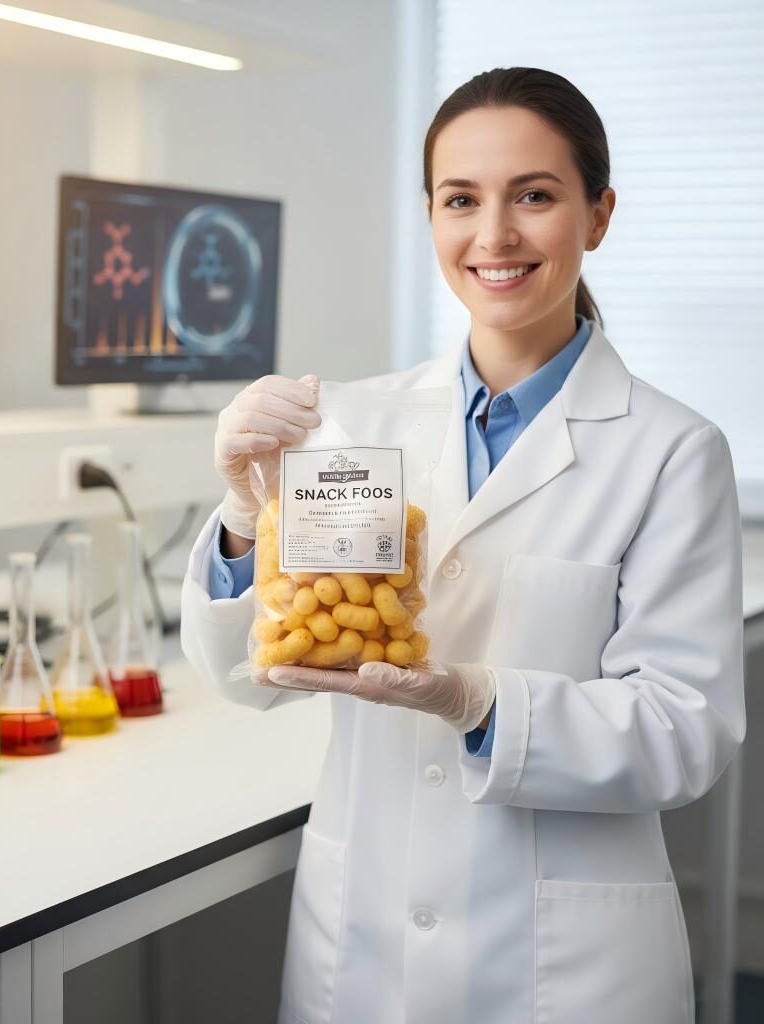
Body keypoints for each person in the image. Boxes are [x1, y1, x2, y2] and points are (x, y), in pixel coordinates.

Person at [181, 67, 745, 1024]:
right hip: (361, 942)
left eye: (534, 195)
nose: (494, 236)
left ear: (598, 214)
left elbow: (682, 733)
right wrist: (243, 514)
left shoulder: (672, 450)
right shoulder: (351, 422)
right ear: (431, 216)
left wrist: (476, 700)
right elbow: (247, 673)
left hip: (568, 971)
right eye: (461, 200)